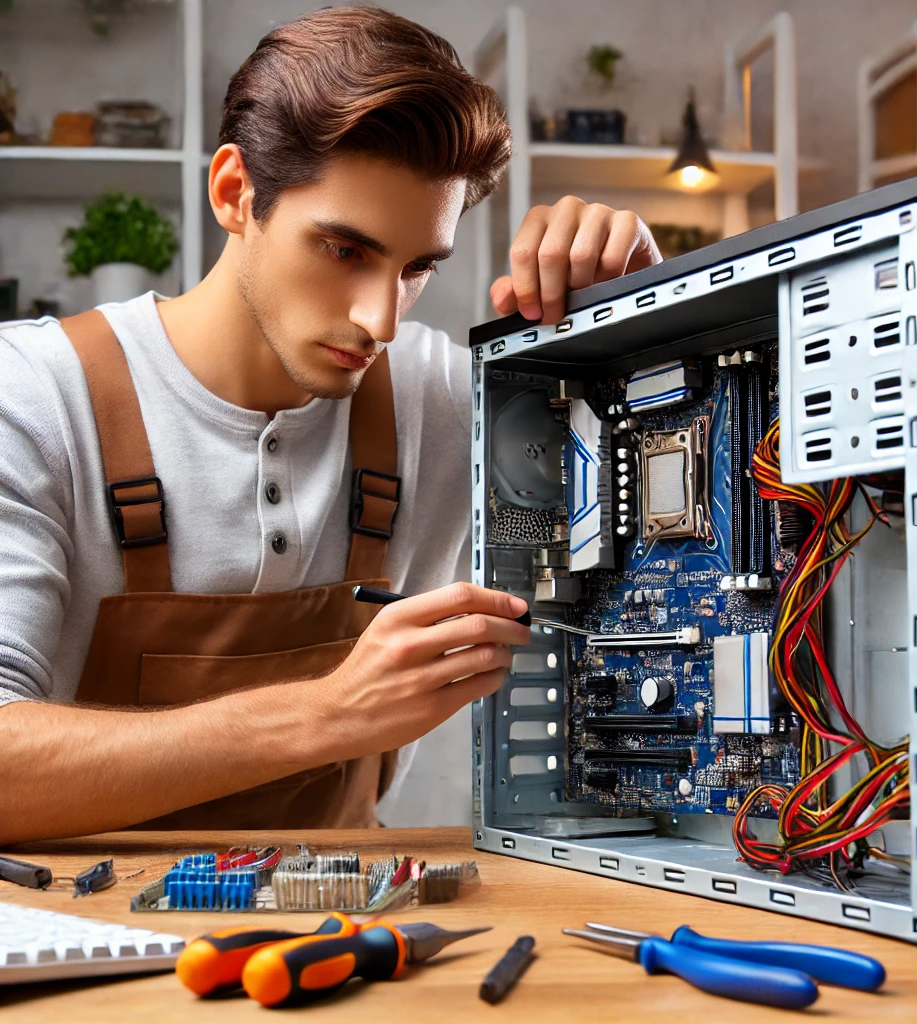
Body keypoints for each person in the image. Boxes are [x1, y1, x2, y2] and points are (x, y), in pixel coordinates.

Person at [0, 7, 660, 844]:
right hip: (84, 937)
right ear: (236, 193)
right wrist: (328, 714)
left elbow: (680, 524)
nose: (380, 320)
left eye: (417, 266)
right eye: (345, 250)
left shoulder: (449, 398)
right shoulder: (32, 394)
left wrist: (641, 319)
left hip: (346, 923)